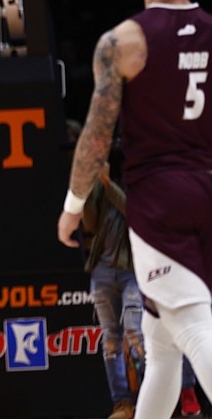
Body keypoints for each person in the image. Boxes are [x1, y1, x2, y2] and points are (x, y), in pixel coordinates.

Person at [57, 0, 212, 419]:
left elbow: (96, 140)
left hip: (159, 198)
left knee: (190, 327)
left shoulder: (123, 41)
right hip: (207, 189)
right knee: (161, 342)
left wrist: (73, 206)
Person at [78, 162, 143, 419]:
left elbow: (133, 210)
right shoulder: (101, 187)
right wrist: (90, 185)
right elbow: (90, 223)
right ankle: (122, 403)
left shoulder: (140, 182)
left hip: (133, 271)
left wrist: (106, 180)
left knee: (135, 333)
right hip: (102, 271)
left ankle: (150, 397)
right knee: (110, 340)